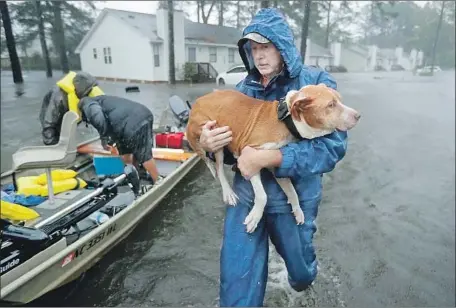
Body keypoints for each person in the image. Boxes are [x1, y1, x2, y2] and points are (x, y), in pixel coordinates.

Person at [199, 8, 349, 307]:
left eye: (266, 47)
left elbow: (332, 148)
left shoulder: (315, 84)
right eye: (253, 49)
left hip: (295, 200)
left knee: (301, 275)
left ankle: (303, 271)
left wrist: (274, 157)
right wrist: (209, 143)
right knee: (236, 284)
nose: (260, 56)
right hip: (246, 196)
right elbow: (234, 155)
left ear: (282, 46)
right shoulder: (243, 91)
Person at [78, 95, 161, 184]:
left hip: (133, 121)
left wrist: (105, 138)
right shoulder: (102, 100)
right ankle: (134, 177)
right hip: (132, 119)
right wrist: (111, 140)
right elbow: (110, 120)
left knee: (143, 153)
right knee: (125, 152)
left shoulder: (87, 104)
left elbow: (98, 117)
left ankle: (158, 182)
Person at [39, 71, 105, 145]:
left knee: (69, 132)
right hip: (54, 113)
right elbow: (48, 123)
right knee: (55, 132)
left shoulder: (91, 89)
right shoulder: (59, 98)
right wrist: (52, 144)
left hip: (69, 110)